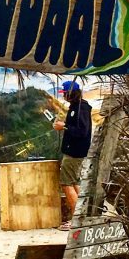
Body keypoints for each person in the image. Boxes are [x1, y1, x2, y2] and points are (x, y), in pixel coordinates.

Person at [53, 80, 92, 226]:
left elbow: (82, 131)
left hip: (74, 152)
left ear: (71, 94)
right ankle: (81, 216)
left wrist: (64, 126)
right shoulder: (77, 107)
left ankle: (77, 220)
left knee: (66, 183)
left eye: (65, 93)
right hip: (74, 151)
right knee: (74, 182)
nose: (63, 96)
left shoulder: (81, 108)